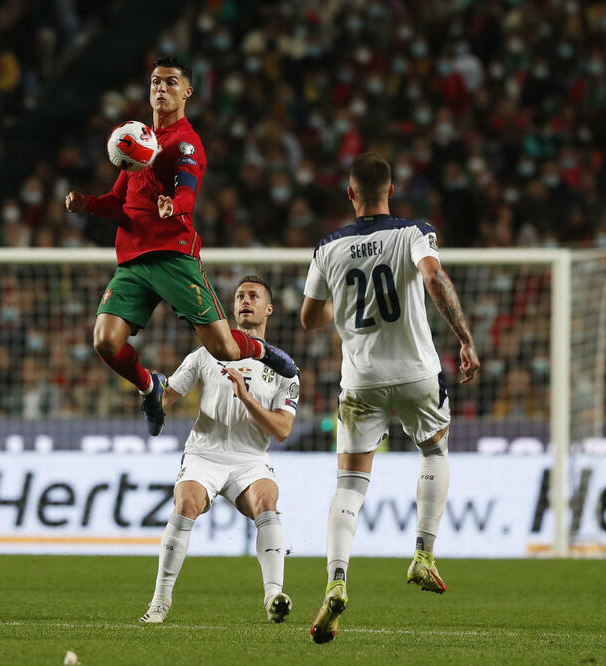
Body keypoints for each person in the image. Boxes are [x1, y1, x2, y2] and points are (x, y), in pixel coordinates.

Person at [65, 56, 297, 437]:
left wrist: (175, 205)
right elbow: (118, 201)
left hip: (174, 257)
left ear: (187, 92)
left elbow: (187, 191)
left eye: (171, 83)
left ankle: (263, 351)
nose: (161, 88)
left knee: (224, 349)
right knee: (105, 342)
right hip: (133, 263)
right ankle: (150, 387)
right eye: (156, 82)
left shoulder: (185, 143)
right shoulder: (138, 142)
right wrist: (87, 203)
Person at [300, 152, 480, 644]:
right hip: (418, 374)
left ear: (351, 194)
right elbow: (433, 278)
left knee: (351, 484)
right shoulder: (412, 232)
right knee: (435, 450)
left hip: (361, 382)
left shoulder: (328, 247)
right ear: (391, 190)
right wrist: (464, 338)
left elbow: (309, 319)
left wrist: (343, 296)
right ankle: (423, 552)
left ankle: (337, 581)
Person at [140, 276, 300, 625]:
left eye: (254, 295)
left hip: (250, 460)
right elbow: (166, 397)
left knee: (267, 504)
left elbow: (283, 430)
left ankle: (274, 595)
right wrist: (149, 389)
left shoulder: (284, 369)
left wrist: (246, 398)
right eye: (240, 295)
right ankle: (160, 601)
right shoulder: (204, 354)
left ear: (268, 309)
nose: (245, 300)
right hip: (204, 454)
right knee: (186, 505)